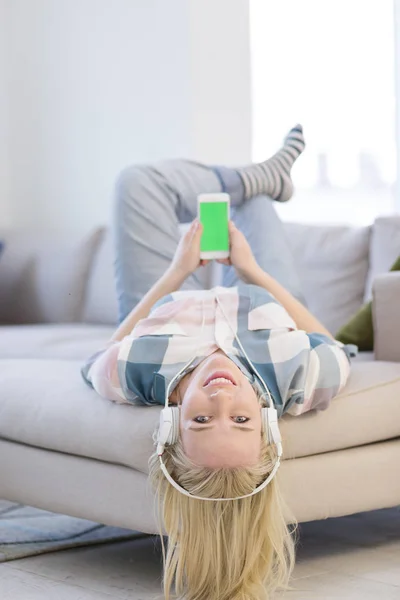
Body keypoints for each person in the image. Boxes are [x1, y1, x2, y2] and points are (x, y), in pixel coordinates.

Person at [81, 126, 355, 600]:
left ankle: (255, 176)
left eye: (202, 418)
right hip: (262, 294)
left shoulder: (142, 376)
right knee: (255, 203)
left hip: (173, 297)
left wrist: (177, 271)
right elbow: (331, 345)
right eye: (242, 419)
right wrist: (252, 270)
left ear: (172, 425)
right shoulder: (294, 378)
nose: (222, 394)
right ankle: (260, 179)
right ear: (266, 422)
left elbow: (97, 361)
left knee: (136, 182)